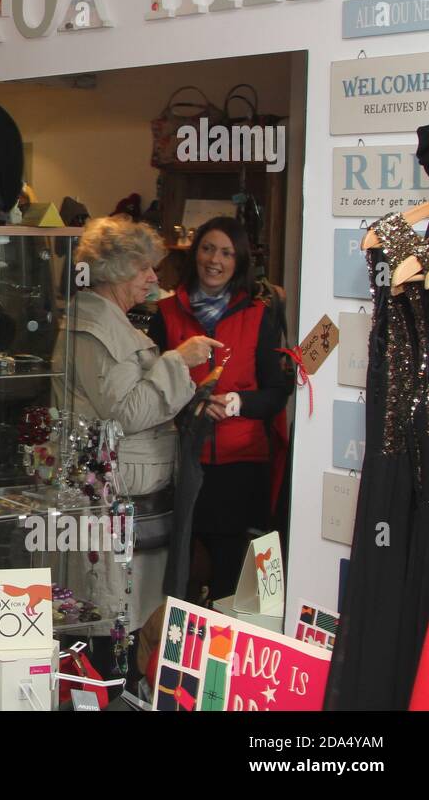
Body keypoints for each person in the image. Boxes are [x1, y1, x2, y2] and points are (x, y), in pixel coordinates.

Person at [55, 217, 219, 666]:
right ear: (116, 270)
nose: (154, 277)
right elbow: (125, 413)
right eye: (145, 268)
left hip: (127, 501)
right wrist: (177, 363)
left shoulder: (111, 325)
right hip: (111, 503)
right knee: (109, 630)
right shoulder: (96, 331)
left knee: (126, 622)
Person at [149, 216, 291, 601]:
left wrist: (237, 403)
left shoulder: (259, 315)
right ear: (195, 253)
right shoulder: (165, 313)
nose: (215, 260)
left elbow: (277, 392)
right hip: (178, 463)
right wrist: (189, 407)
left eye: (226, 252)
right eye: (208, 248)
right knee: (177, 578)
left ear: (239, 261)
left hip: (239, 468)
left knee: (230, 582)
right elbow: (150, 389)